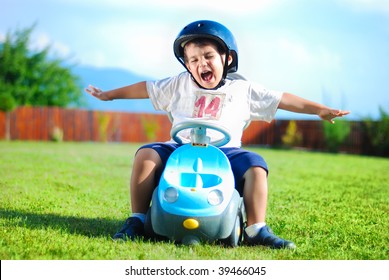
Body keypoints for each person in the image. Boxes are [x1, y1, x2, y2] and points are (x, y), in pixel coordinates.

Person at [86, 20, 350, 249]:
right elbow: (146, 88)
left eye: (208, 56)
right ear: (187, 65)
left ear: (227, 58)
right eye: (193, 59)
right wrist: (109, 94)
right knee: (146, 154)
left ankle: (256, 229)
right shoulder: (179, 84)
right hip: (179, 148)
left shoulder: (242, 90)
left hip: (226, 152)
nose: (201, 63)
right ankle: (137, 220)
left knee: (256, 166)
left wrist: (320, 109)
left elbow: (281, 99)